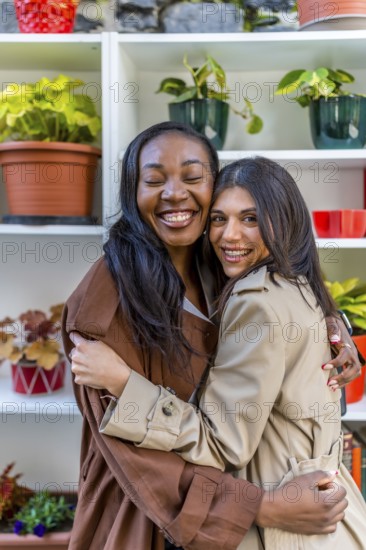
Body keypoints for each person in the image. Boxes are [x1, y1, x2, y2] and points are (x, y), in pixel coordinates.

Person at [63, 123, 358, 550]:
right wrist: (261, 507)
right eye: (154, 180)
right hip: (148, 516)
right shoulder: (107, 299)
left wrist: (331, 325)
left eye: (193, 177)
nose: (174, 193)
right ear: (132, 191)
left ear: (213, 186)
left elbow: (280, 287)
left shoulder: (217, 259)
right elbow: (135, 457)